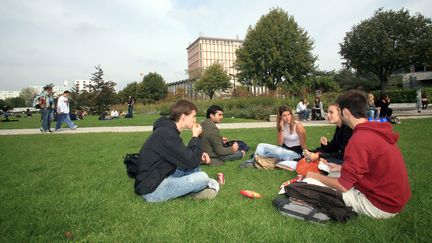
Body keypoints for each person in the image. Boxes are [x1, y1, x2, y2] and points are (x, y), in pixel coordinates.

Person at [304, 90, 411, 219]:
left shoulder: (359, 138)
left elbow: (343, 186)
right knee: (333, 173)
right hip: (393, 198)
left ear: (346, 112)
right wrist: (342, 167)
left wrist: (315, 176)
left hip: (380, 205)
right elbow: (370, 166)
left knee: (309, 181)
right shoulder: (372, 129)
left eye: (338, 110)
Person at [135, 100, 219, 203]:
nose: (195, 119)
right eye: (193, 116)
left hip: (162, 175)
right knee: (203, 177)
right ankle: (196, 190)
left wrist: (199, 155)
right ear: (183, 117)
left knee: (196, 169)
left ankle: (195, 189)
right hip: (153, 189)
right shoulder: (167, 134)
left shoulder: (167, 130)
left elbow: (182, 155)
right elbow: (190, 161)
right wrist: (195, 136)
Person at [297, 104, 353, 177]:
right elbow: (334, 148)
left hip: (348, 162)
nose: (328, 115)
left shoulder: (347, 130)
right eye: (328, 112)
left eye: (331, 112)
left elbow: (343, 155)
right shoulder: (339, 128)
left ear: (340, 113)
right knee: (316, 152)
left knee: (325, 159)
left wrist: (319, 156)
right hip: (342, 159)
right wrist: (325, 144)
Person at [242, 106, 306, 168]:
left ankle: (252, 162)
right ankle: (257, 159)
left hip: (295, 154)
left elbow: (303, 145)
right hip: (284, 150)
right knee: (265, 152)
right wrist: (282, 129)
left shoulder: (298, 126)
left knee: (262, 147)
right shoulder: (281, 126)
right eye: (284, 116)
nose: (287, 117)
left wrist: (306, 156)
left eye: (289, 114)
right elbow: (280, 144)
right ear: (280, 117)